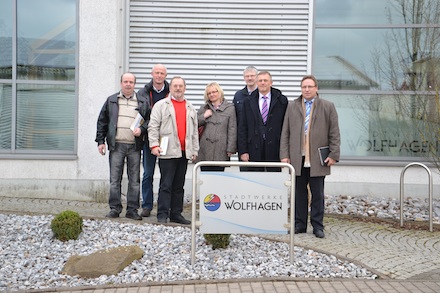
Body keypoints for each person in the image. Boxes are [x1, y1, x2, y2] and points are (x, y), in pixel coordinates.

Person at [280, 75, 340, 239]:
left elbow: (334, 132)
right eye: (304, 87)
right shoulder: (292, 106)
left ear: (316, 88)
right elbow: (285, 132)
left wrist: (334, 154)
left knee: (317, 194)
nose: (307, 89)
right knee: (299, 193)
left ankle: (317, 226)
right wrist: (284, 155)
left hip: (318, 159)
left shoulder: (327, 106)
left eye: (310, 86)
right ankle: (299, 224)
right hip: (297, 158)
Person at [95, 72, 150, 220]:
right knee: (114, 179)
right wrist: (100, 141)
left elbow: (149, 121)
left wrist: (142, 130)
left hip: (134, 146)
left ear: (134, 84)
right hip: (116, 145)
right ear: (121, 83)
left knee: (134, 180)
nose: (128, 84)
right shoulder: (112, 100)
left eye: (131, 82)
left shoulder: (142, 101)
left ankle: (132, 210)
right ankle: (115, 208)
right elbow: (102, 122)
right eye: (125, 81)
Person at [148, 76, 199, 224]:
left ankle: (176, 214)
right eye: (175, 86)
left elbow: (194, 131)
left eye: (180, 86)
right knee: (166, 184)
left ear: (184, 88)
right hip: (167, 151)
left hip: (184, 152)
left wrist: (194, 150)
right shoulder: (161, 105)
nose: (178, 88)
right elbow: (153, 126)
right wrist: (153, 145)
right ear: (170, 88)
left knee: (179, 186)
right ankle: (162, 214)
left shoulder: (190, 107)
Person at [237, 70, 288, 171]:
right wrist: (243, 151)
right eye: (260, 80)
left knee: (273, 181)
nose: (263, 83)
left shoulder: (281, 100)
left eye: (265, 80)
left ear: (271, 82)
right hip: (253, 148)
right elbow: (242, 127)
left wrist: (285, 153)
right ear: (256, 82)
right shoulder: (248, 101)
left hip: (275, 148)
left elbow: (286, 127)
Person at [137, 64, 170, 217]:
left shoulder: (171, 92)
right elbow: (139, 115)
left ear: (165, 75)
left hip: (167, 138)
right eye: (156, 72)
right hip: (148, 137)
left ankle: (165, 206)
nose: (159, 75)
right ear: (152, 74)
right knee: (148, 174)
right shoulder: (143, 93)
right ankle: (147, 205)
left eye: (162, 73)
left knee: (167, 174)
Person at [195, 82, 237, 171]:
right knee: (205, 177)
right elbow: (194, 124)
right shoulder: (204, 107)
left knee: (219, 177)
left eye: (214, 92)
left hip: (221, 148)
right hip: (205, 148)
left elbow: (232, 128)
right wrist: (204, 116)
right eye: (209, 93)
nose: (212, 95)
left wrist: (231, 148)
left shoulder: (230, 108)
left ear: (219, 92)